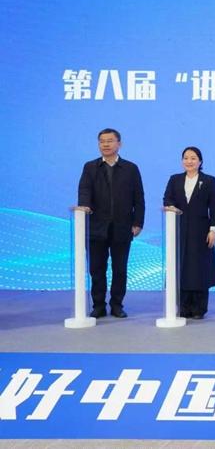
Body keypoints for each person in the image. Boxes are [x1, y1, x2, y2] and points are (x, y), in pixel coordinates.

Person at [77, 128, 145, 319]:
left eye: (109, 141)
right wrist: (84, 208)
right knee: (96, 269)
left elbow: (139, 197)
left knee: (120, 269)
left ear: (119, 144)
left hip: (122, 227)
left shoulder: (130, 168)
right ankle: (98, 305)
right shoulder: (90, 167)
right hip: (95, 227)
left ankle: (117, 305)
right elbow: (84, 191)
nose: (105, 144)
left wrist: (138, 222)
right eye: (102, 141)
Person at [163, 147, 215, 320]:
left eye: (193, 158)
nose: (189, 161)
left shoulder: (209, 181)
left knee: (200, 268)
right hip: (179, 230)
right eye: (186, 158)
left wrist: (213, 230)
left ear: (200, 161)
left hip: (201, 230)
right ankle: (183, 307)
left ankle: (199, 308)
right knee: (181, 267)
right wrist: (170, 207)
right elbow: (167, 199)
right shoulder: (175, 179)